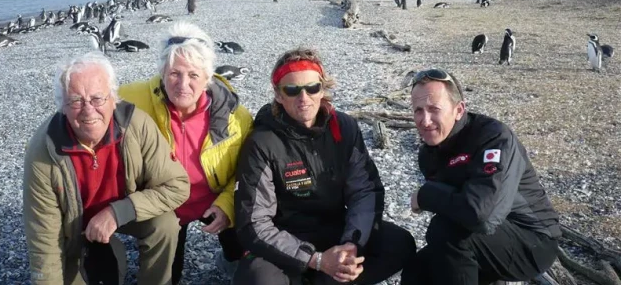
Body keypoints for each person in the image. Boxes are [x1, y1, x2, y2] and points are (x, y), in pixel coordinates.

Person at [234, 47, 415, 285]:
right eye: (292, 90)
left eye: (312, 88)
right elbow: (255, 222)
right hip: (285, 238)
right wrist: (316, 260)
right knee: (256, 278)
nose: (304, 98)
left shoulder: (344, 127)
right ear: (278, 95)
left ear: (323, 89)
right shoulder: (263, 142)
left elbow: (364, 191)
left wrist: (351, 244)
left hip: (336, 230)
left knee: (399, 243)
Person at [23, 52, 190, 285]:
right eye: (76, 101)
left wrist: (117, 212)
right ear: (63, 106)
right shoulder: (44, 149)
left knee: (165, 224)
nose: (88, 110)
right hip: (72, 227)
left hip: (125, 210)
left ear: (113, 98)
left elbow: (178, 185)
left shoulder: (137, 126)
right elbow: (44, 237)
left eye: (97, 98)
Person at [119, 21, 253, 283]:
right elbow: (87, 104)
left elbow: (247, 172)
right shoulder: (132, 99)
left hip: (213, 198)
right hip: (165, 203)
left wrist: (227, 205)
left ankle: (230, 258)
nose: (183, 84)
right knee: (169, 276)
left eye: (193, 75)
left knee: (244, 249)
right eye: (174, 73)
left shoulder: (235, 116)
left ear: (207, 78)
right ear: (161, 72)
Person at [401, 68, 561, 285]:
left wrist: (424, 195)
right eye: (418, 110)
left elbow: (482, 216)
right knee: (417, 269)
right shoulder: (429, 152)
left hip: (533, 240)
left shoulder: (493, 138)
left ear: (459, 110)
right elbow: (455, 210)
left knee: (444, 232)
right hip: (483, 238)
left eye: (433, 109)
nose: (425, 120)